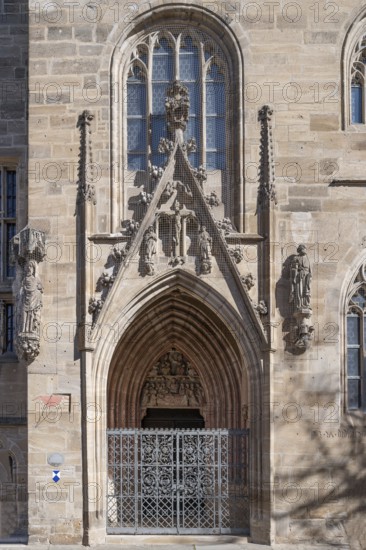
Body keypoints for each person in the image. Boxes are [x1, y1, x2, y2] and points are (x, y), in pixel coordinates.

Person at [19, 260, 43, 333]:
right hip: (26, 300)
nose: (29, 268)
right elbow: (22, 289)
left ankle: (30, 329)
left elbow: (40, 288)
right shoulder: (25, 279)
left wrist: (38, 290)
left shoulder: (36, 279)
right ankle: (24, 329)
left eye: (31, 267)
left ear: (34, 269)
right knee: (24, 316)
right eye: (28, 267)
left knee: (31, 315)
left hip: (34, 300)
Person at [290, 244, 312, 310]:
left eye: (305, 248)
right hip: (300, 276)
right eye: (303, 249)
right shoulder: (296, 258)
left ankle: (306, 304)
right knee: (300, 290)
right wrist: (297, 269)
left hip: (307, 276)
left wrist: (310, 275)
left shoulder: (308, 258)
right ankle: (299, 304)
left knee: (306, 290)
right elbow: (293, 268)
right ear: (300, 250)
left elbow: (310, 269)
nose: (305, 250)